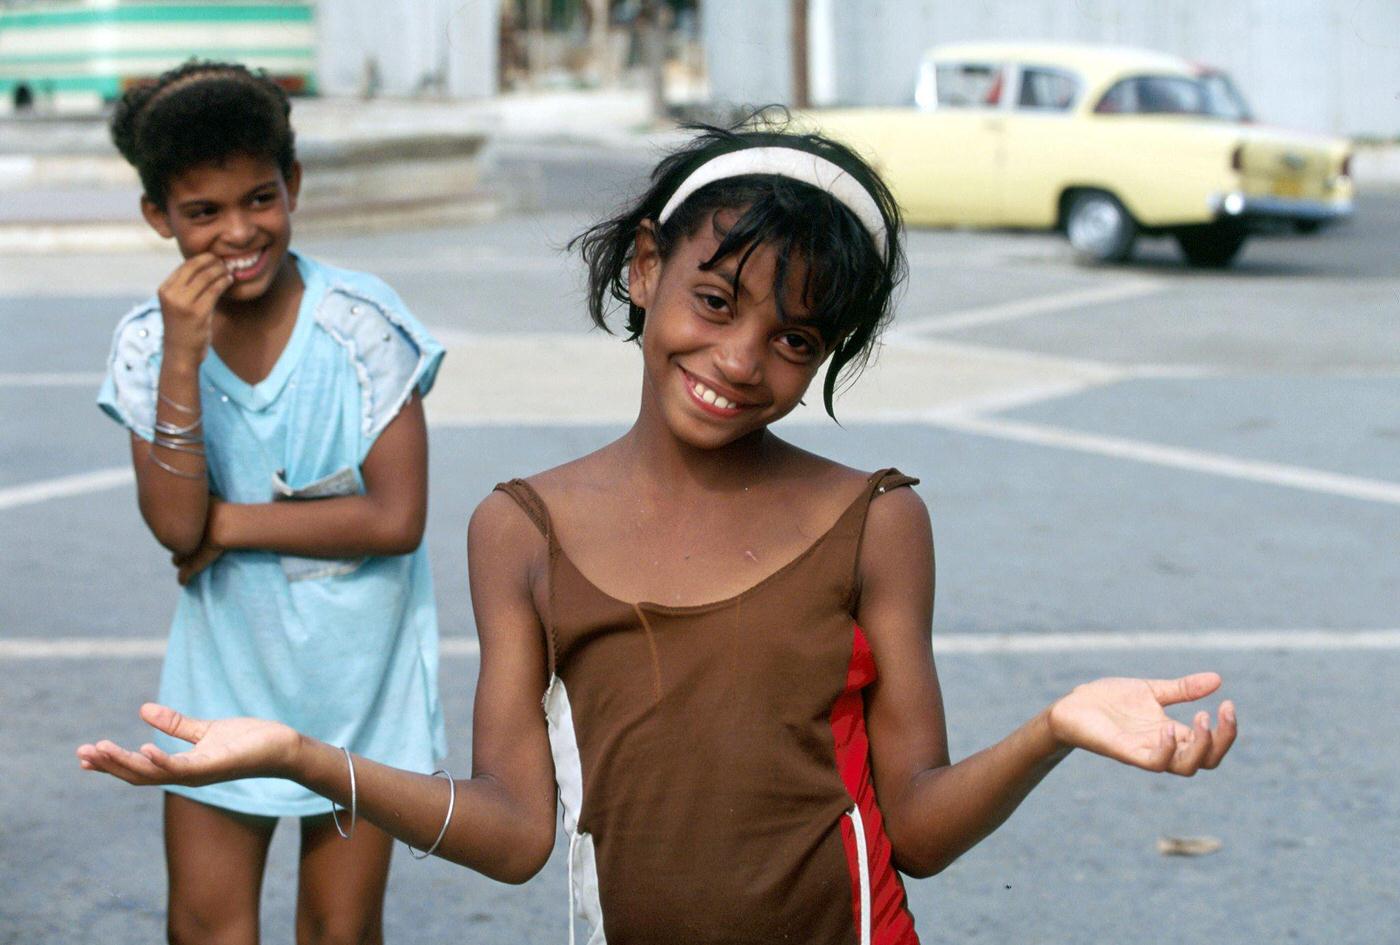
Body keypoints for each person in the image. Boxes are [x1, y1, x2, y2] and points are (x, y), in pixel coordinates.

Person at [80, 118, 1236, 945]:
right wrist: (301, 758)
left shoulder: (877, 521)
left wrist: (1050, 731)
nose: (739, 362)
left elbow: (917, 827)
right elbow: (515, 832)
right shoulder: (520, 531)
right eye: (716, 302)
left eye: (795, 339)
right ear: (644, 267)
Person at [92, 61, 447, 945]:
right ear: (158, 218)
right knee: (205, 928)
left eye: (260, 199)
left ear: (292, 184)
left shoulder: (361, 324)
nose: (239, 232)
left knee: (338, 930)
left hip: (363, 688)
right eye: (203, 213)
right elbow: (173, 526)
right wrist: (183, 354)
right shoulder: (146, 344)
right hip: (223, 677)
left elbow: (395, 519)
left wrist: (229, 522)